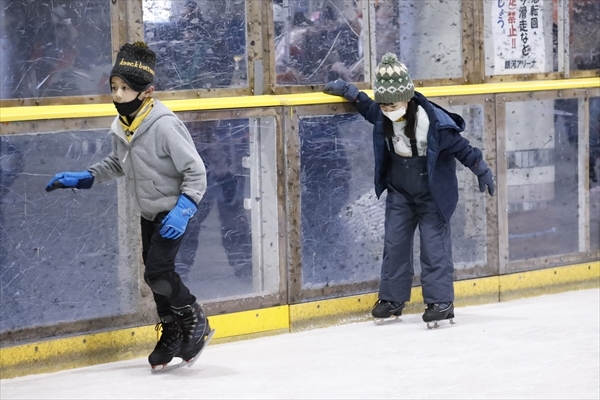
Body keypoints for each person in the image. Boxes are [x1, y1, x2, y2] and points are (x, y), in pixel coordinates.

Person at [45, 41, 212, 370]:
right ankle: (173, 330)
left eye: (125, 89)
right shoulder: (123, 125)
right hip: (148, 210)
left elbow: (196, 172)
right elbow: (120, 162)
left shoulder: (164, 125)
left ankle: (194, 318)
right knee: (154, 277)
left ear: (146, 92)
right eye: (114, 87)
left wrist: (183, 209)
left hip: (172, 208)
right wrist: (88, 176)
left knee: (158, 272)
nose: (117, 95)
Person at [323, 53, 495, 327]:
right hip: (400, 191)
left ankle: (440, 302)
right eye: (384, 104)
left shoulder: (434, 123)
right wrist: (350, 92)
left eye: (392, 104)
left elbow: (465, 150)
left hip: (433, 194)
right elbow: (367, 106)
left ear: (407, 97)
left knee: (433, 246)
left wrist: (482, 170)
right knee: (394, 243)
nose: (387, 109)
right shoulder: (382, 114)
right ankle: (392, 299)